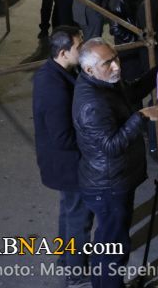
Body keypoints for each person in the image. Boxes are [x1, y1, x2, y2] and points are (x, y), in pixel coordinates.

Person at [72, 38, 158, 288]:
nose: (117, 66)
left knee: (108, 243)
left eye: (115, 58)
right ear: (89, 69)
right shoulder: (92, 103)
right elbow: (111, 146)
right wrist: (141, 116)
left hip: (112, 181)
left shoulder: (103, 82)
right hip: (108, 186)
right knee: (113, 249)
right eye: (108, 63)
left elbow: (132, 91)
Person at [32, 26, 94, 287]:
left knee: (69, 212)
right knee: (79, 218)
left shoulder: (57, 72)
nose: (84, 49)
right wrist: (95, 142)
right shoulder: (54, 86)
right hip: (68, 166)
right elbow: (63, 138)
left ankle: (66, 260)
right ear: (63, 53)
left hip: (62, 165)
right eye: (79, 46)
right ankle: (76, 273)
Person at [108, 0, 145, 82]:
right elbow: (115, 29)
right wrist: (136, 40)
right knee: (133, 81)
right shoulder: (118, 0)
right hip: (129, 50)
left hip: (142, 44)